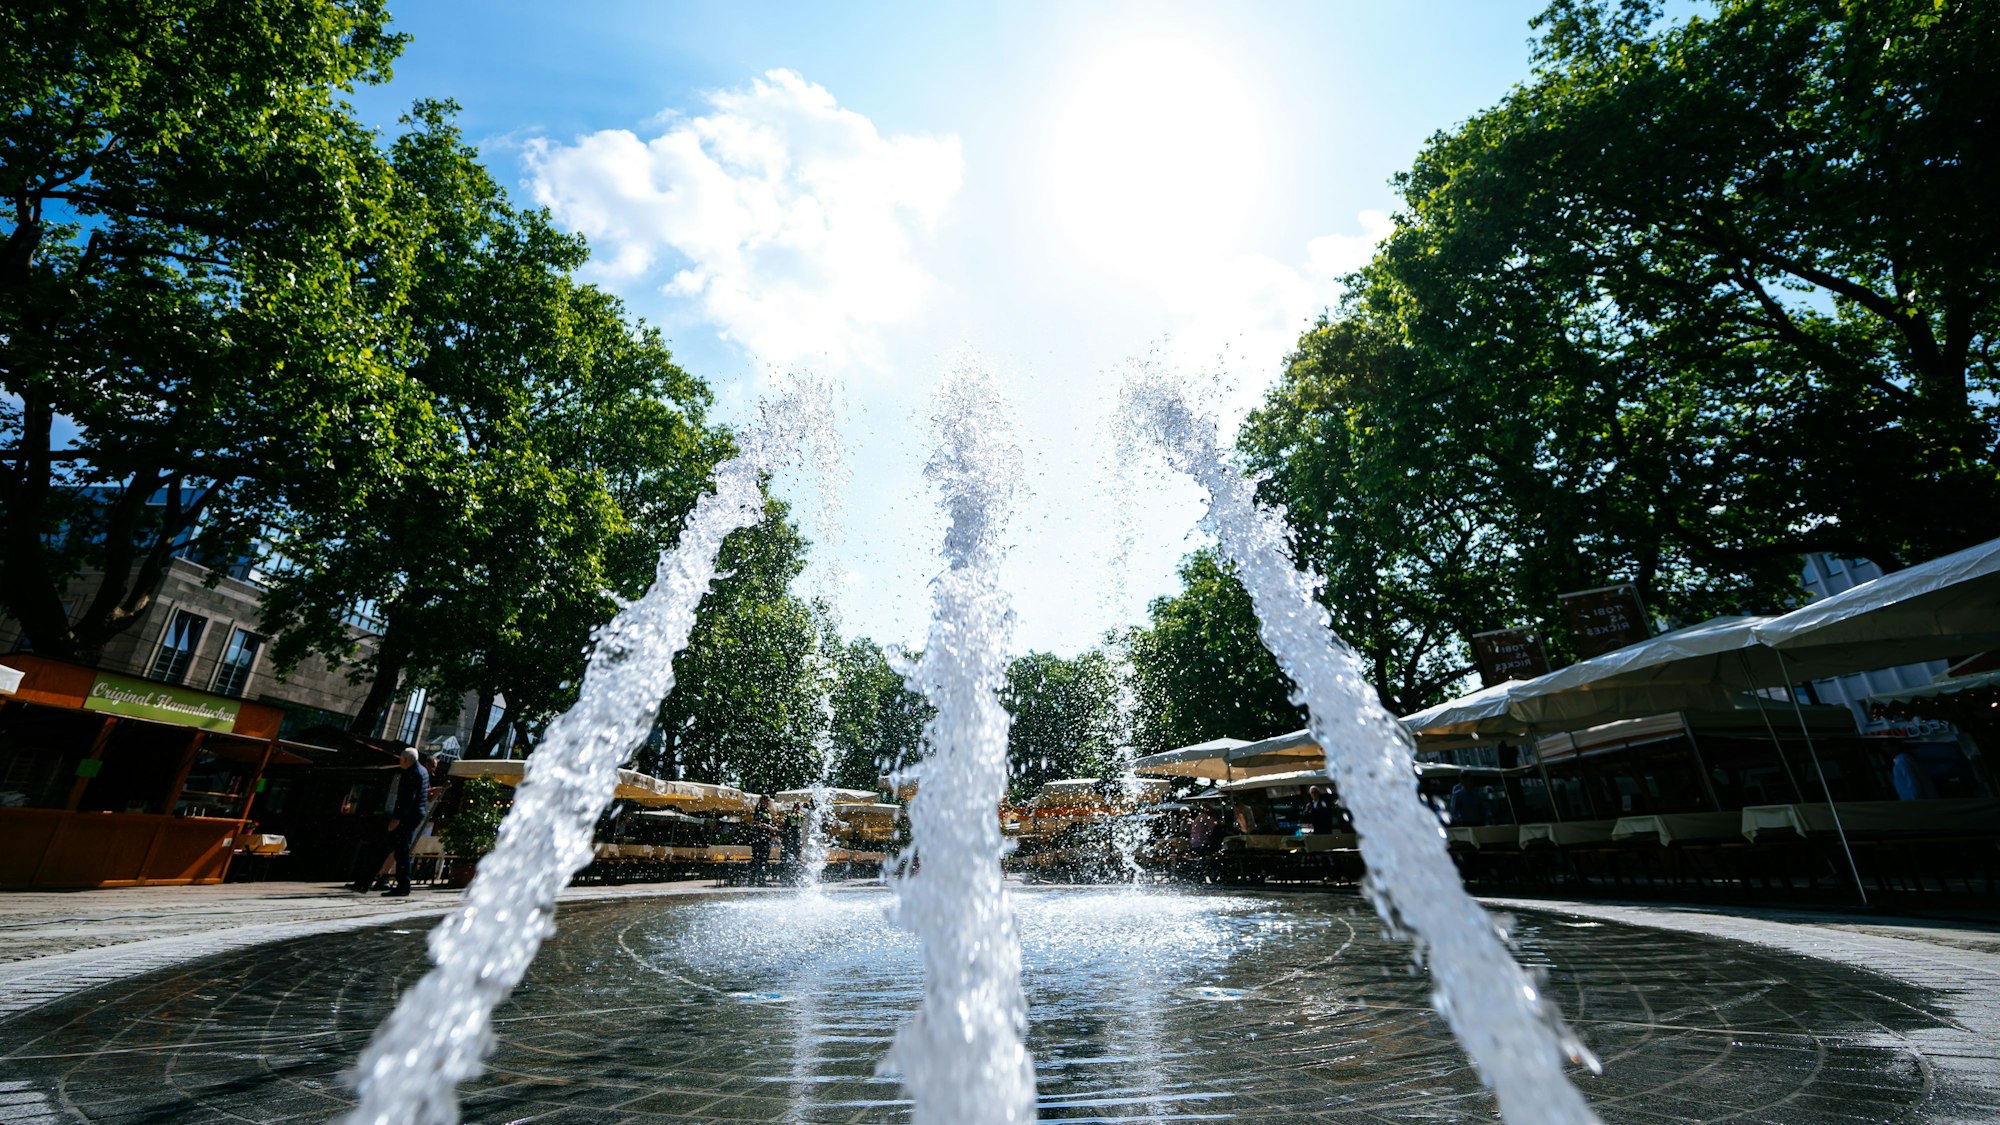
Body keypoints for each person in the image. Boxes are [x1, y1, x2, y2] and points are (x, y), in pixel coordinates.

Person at [353, 749, 428, 896]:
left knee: (396, 850)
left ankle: (399, 885)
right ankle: (366, 882)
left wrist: (396, 819)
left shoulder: (411, 774)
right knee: (391, 849)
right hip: (414, 816)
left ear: (405, 760)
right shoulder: (422, 771)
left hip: (407, 818)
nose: (399, 762)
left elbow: (407, 799)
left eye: (400, 760)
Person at [747, 795, 778, 886]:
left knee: (764, 859)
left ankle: (761, 880)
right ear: (762, 801)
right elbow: (757, 823)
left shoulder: (767, 811)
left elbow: (770, 823)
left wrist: (773, 828)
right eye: (767, 800)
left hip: (766, 838)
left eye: (768, 801)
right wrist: (769, 827)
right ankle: (752, 880)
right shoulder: (758, 810)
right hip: (758, 838)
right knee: (756, 859)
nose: (768, 802)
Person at [780, 801, 805, 876]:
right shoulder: (790, 816)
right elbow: (784, 826)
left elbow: (802, 828)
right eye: (796, 807)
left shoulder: (800, 816)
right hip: (790, 839)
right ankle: (787, 874)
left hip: (795, 839)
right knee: (789, 857)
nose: (797, 808)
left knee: (795, 857)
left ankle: (793, 874)